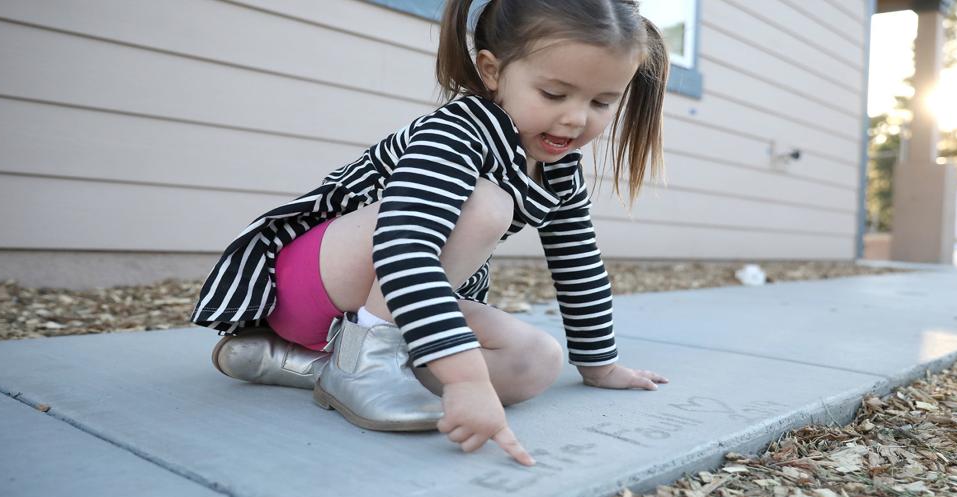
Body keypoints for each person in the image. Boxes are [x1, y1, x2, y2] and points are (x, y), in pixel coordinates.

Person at [191, 0, 671, 467]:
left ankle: (312, 366)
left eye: (601, 102)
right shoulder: (456, 132)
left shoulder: (561, 167)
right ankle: (366, 361)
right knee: (486, 205)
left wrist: (599, 365)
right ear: (492, 71)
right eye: (553, 94)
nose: (575, 118)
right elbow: (405, 248)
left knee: (536, 362)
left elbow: (579, 263)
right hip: (316, 280)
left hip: (390, 301)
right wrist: (465, 381)